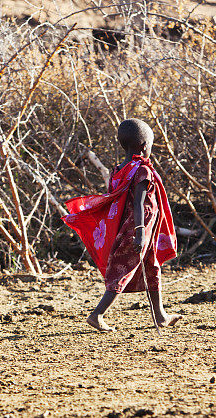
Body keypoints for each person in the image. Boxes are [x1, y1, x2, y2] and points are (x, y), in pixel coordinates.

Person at [62, 118, 183, 332]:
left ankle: (160, 315)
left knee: (152, 268)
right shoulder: (142, 171)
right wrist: (139, 234)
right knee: (122, 271)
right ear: (145, 146)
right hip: (138, 230)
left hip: (139, 230)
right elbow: (138, 203)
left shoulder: (120, 169)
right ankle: (97, 315)